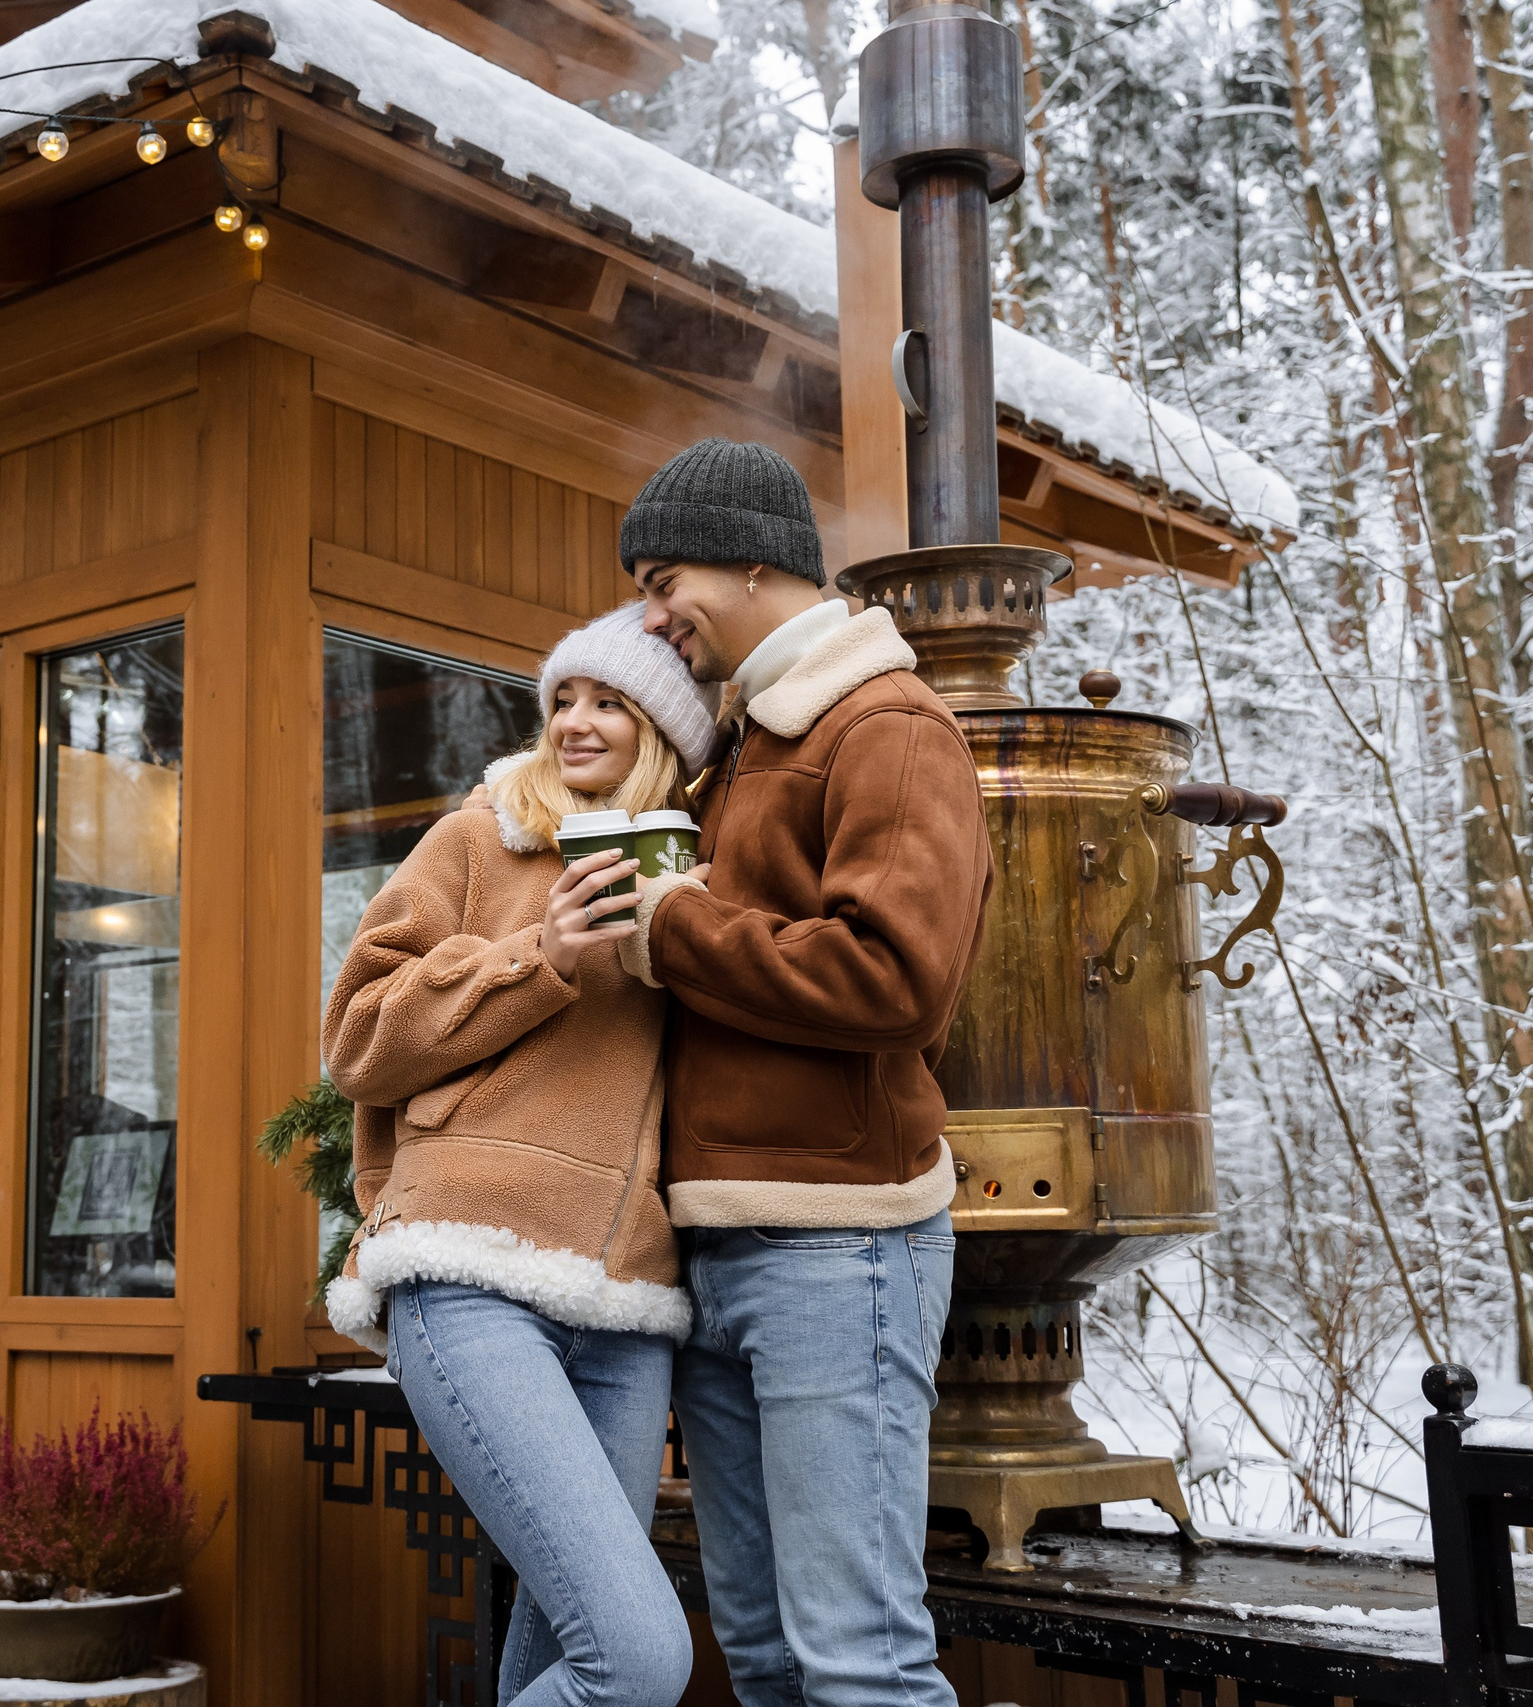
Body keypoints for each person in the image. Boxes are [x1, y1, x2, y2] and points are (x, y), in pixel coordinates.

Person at [618, 438, 993, 1707]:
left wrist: (668, 925)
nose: (649, 614)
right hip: (718, 1244)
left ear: (757, 558)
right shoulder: (744, 748)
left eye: (664, 579)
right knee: (769, 1654)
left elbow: (894, 979)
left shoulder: (883, 727)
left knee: (858, 1660)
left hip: (839, 1245)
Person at [323, 602, 716, 1707]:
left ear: (666, 732)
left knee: (564, 1658)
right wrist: (531, 957)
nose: (577, 722)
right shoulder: (476, 838)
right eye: (562, 700)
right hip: (467, 1274)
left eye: (611, 702)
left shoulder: (694, 876)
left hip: (630, 1306)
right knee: (638, 1660)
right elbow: (356, 1037)